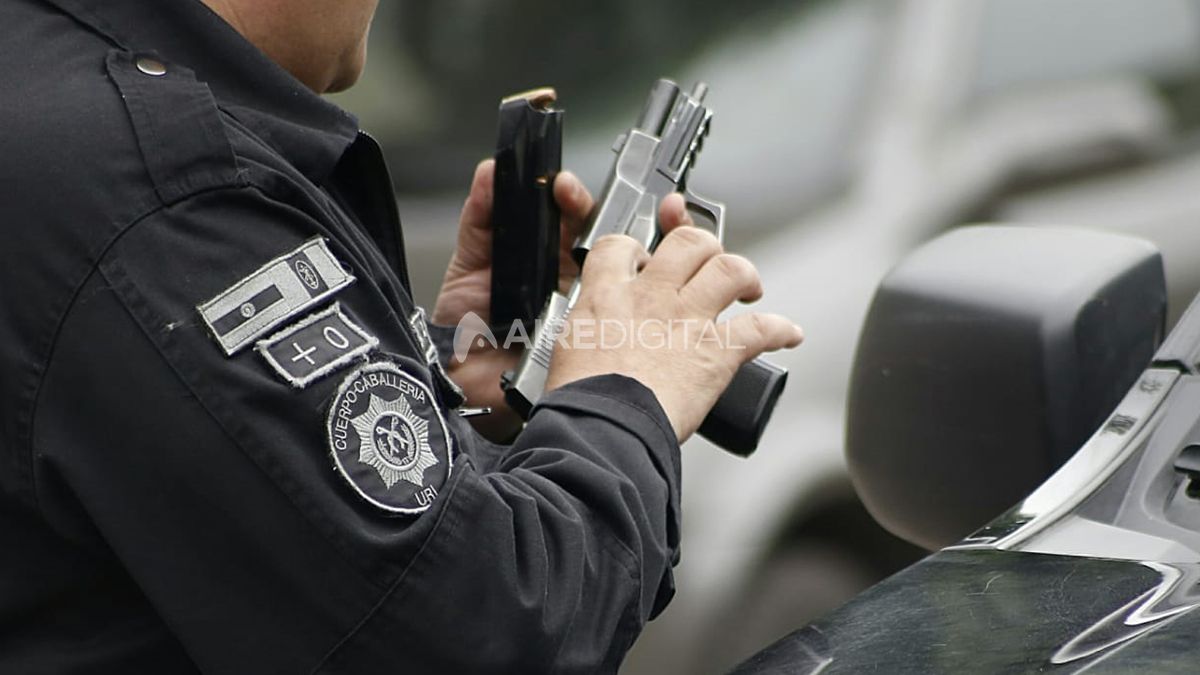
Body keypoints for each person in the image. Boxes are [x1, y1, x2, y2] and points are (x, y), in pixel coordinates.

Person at [0, 0, 803, 672]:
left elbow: (243, 500)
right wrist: (623, 398)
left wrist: (445, 377)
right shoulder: (160, 191)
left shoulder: (49, 86)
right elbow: (492, 632)